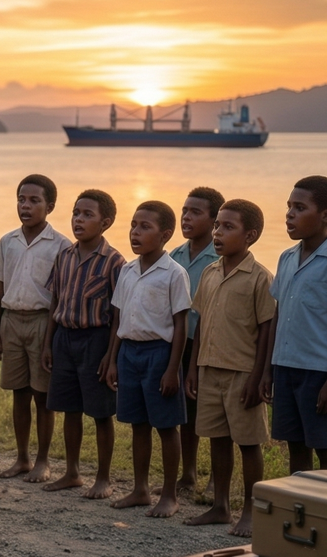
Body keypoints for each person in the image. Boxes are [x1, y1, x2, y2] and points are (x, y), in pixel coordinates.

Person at [183, 200, 274, 536]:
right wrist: (192, 368)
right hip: (209, 368)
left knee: (248, 443)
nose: (218, 233)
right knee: (216, 439)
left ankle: (251, 510)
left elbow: (266, 330)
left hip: (242, 373)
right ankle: (220, 506)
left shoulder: (260, 278)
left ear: (249, 236)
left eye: (227, 227)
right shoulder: (209, 272)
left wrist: (260, 375)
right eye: (217, 226)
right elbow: (201, 324)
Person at [265, 176, 327, 473]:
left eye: (300, 207)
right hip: (286, 366)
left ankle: (326, 510)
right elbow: (279, 314)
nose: (289, 214)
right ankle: (299, 509)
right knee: (295, 445)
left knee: (324, 448)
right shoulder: (286, 258)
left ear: (326, 215)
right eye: (289, 206)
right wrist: (270, 368)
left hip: (320, 372)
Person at [104, 201, 190, 518]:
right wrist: (112, 360)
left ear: (165, 234)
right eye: (133, 225)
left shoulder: (174, 274)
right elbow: (118, 319)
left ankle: (168, 495)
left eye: (145, 227)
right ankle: (140, 489)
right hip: (129, 353)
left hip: (159, 354)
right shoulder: (127, 270)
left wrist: (172, 370)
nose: (135, 232)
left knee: (166, 426)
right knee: (137, 425)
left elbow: (181, 325)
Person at [42, 189, 125, 499]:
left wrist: (111, 357)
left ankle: (103, 478)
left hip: (97, 340)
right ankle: (72, 472)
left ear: (105, 223)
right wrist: (48, 343)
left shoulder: (114, 262)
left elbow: (119, 315)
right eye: (76, 213)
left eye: (87, 215)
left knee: (101, 413)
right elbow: (55, 301)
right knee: (69, 408)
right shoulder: (63, 256)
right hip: (65, 337)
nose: (78, 219)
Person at [0, 174, 69, 482]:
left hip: (41, 323)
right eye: (21, 199)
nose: (26, 206)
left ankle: (42, 461)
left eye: (34, 201)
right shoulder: (7, 241)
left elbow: (58, 298)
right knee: (18, 393)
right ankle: (21, 458)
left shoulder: (61, 246)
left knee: (42, 394)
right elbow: (0, 286)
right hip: (11, 321)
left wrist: (50, 341)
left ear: (49, 206)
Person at [170, 186, 224, 493]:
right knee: (186, 413)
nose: (186, 217)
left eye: (195, 212)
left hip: (211, 346)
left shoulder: (220, 256)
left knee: (213, 414)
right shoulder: (175, 255)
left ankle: (218, 478)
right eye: (184, 211)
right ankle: (188, 474)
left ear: (214, 220)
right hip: (181, 343)